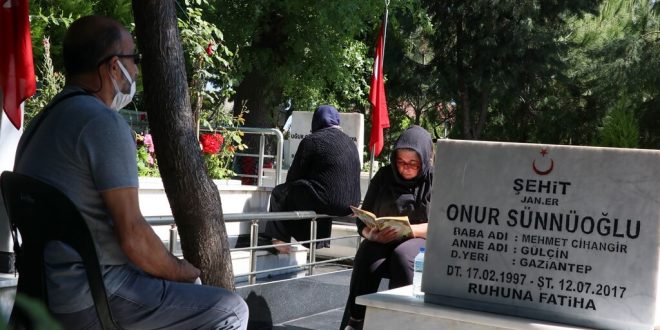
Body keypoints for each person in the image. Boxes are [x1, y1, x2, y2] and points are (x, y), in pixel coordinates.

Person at [13, 16, 248, 329]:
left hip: (42, 295)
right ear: (112, 67)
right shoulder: (100, 124)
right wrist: (183, 271)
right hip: (93, 297)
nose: (136, 70)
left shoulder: (40, 124)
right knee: (231, 309)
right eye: (133, 59)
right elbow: (133, 236)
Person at [341, 125, 434, 330]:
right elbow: (363, 218)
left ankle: (400, 320)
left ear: (425, 160)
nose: (405, 168)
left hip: (421, 239)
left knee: (403, 256)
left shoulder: (434, 180)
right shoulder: (384, 176)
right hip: (384, 237)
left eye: (413, 163)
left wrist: (410, 230)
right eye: (401, 162)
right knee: (368, 252)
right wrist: (370, 233)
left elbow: (442, 222)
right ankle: (356, 319)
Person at [263, 105, 361, 253]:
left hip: (329, 200)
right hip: (351, 204)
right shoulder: (349, 143)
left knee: (280, 193)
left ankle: (279, 239)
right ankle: (317, 242)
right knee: (323, 192)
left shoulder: (313, 140)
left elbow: (294, 175)